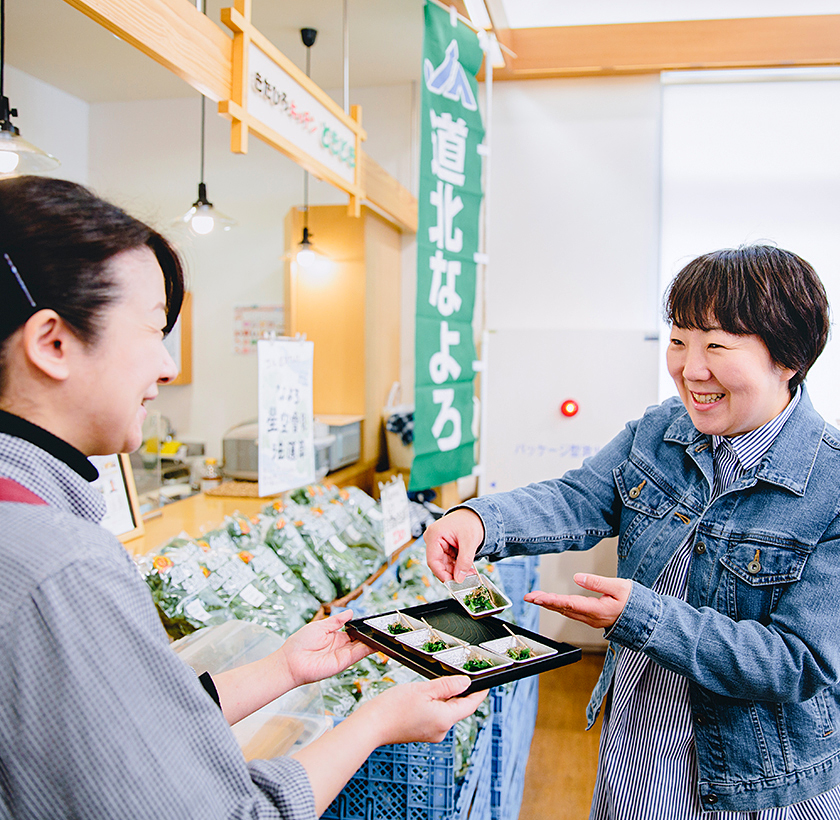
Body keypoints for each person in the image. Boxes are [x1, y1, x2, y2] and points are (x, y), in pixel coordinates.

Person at [0, 175, 486, 820]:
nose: (168, 366)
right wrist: (372, 724)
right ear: (52, 343)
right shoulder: (63, 566)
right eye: (152, 330)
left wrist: (284, 668)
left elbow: (127, 726)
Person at [425, 245, 840, 818]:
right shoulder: (659, 431)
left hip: (757, 783)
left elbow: (800, 662)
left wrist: (642, 618)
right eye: (679, 341)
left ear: (789, 358)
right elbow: (577, 498)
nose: (691, 369)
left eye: (717, 346)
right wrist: (478, 519)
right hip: (637, 754)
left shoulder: (831, 485)